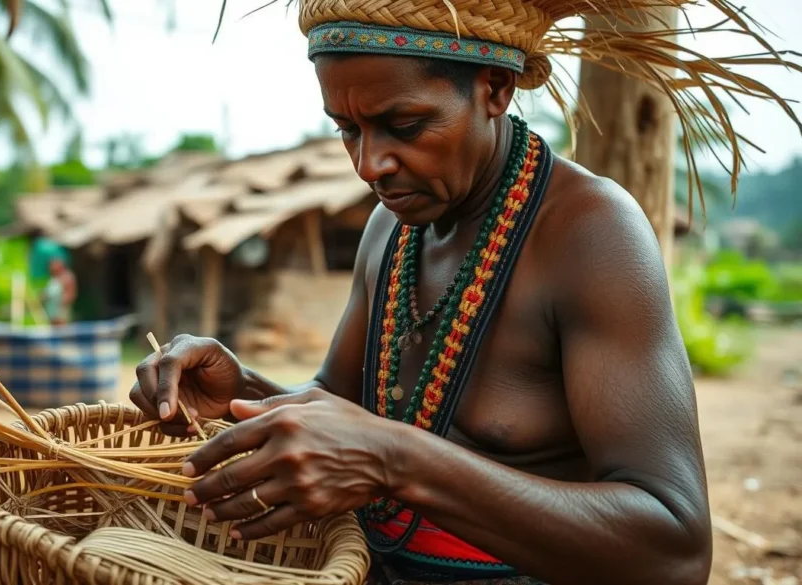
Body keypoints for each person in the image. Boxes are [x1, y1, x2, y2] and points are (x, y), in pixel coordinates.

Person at [131, 2, 799, 584]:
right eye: (347, 129)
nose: (370, 165)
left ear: (496, 88)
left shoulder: (591, 236)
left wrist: (396, 459)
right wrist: (243, 391)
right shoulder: (390, 228)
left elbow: (674, 550)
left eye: (405, 125)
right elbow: (338, 414)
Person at [43, 258, 76, 326]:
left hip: (61, 311)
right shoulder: (53, 278)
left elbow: (71, 294)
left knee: (61, 330)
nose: (51, 267)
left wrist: (61, 307)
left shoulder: (67, 277)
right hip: (51, 311)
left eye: (53, 264)